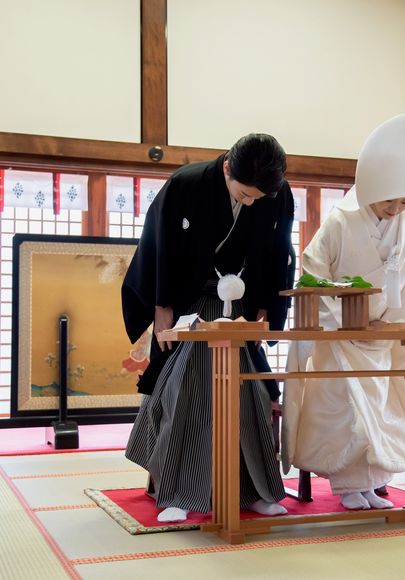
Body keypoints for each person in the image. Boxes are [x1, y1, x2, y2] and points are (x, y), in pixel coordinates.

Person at [122, 133, 295, 521]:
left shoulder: (277, 193)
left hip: (241, 308)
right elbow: (158, 244)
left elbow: (278, 251)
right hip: (191, 303)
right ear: (227, 168)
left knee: (251, 396)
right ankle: (180, 493)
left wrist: (266, 306)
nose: (249, 203)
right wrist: (162, 305)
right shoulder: (187, 183)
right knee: (190, 390)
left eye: (257, 199)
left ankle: (252, 491)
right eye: (244, 194)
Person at [282, 113, 405, 510]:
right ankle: (347, 487)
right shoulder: (340, 222)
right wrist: (342, 322)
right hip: (339, 334)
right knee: (346, 408)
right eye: (390, 199)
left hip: (380, 336)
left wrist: (388, 324)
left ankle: (372, 484)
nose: (396, 208)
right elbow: (313, 272)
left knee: (381, 408)